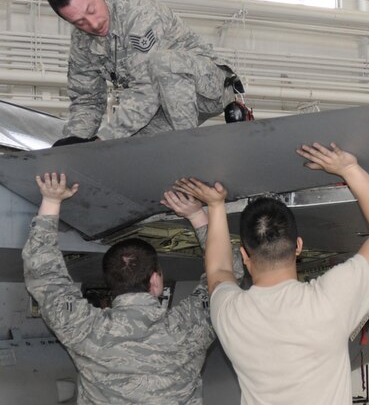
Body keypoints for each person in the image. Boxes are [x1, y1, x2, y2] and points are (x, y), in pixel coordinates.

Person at [174, 142, 369, 405]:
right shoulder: (329, 301)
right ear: (298, 246)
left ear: (244, 255)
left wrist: (214, 208)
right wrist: (349, 168)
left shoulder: (230, 313)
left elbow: (219, 270)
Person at [22, 172, 221, 404]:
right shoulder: (190, 326)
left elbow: (44, 275)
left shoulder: (84, 328)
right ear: (155, 281)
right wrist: (197, 215)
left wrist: (51, 200)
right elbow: (224, 275)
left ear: (111, 282)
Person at [47, 0, 241, 142]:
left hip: (208, 86)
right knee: (127, 148)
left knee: (162, 63)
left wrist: (103, 138)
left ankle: (187, 150)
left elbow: (145, 87)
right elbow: (86, 99)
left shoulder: (137, 13)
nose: (94, 23)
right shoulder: (82, 43)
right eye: (80, 22)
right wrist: (73, 145)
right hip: (162, 105)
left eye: (91, 10)